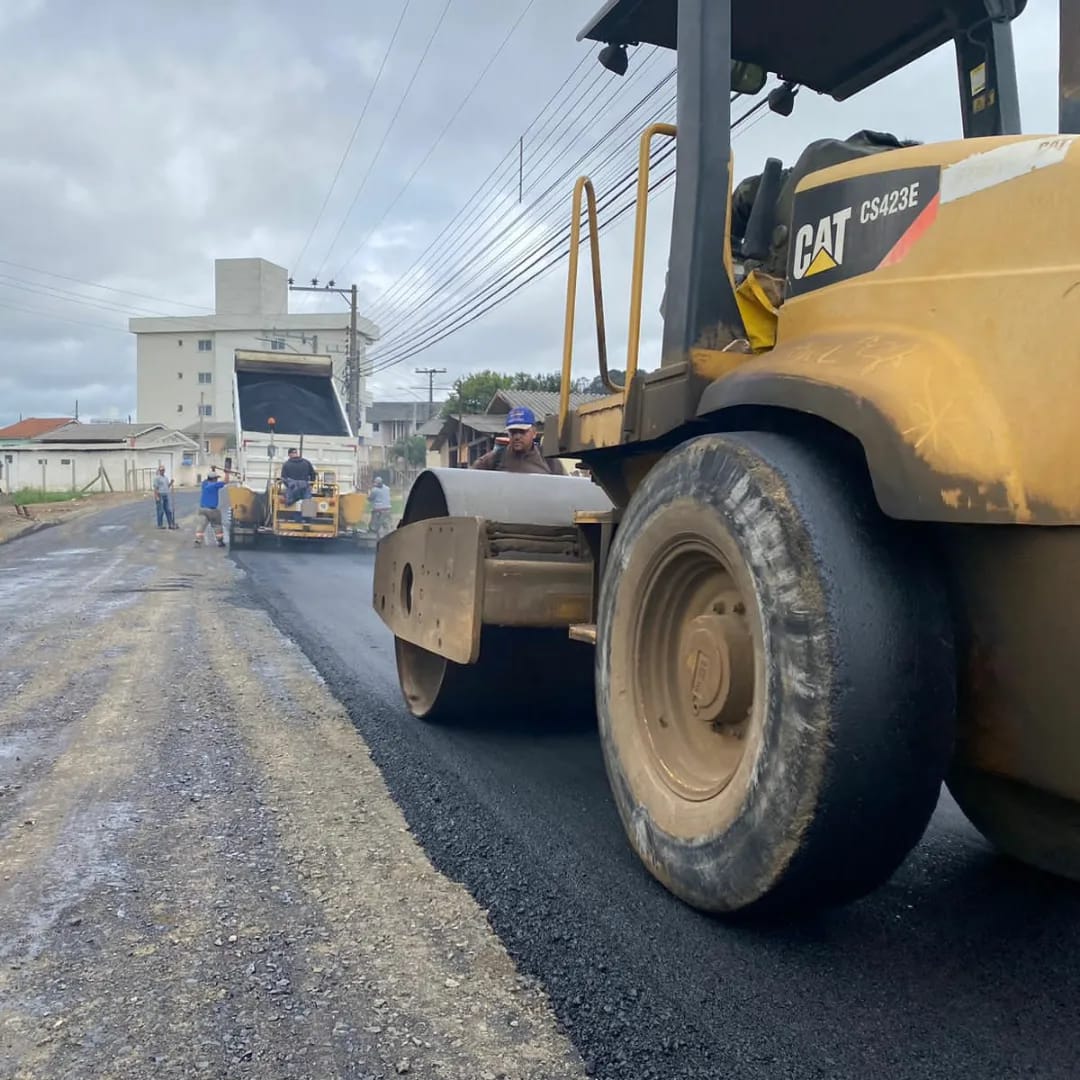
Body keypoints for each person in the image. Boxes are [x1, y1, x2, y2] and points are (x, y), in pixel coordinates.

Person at [470, 407, 557, 474]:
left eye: (522, 431)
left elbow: (564, 488)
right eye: (513, 432)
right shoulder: (495, 458)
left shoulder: (548, 460)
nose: (517, 437)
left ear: (534, 433)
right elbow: (469, 478)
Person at [195, 468, 229, 547]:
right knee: (217, 525)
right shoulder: (215, 485)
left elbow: (208, 479)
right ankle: (220, 541)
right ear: (214, 479)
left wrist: (212, 469)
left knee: (201, 525)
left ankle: (198, 540)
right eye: (216, 478)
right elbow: (226, 482)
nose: (217, 480)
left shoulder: (204, 484)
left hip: (202, 509)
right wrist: (227, 473)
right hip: (213, 510)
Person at [152, 464, 177, 530]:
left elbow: (167, 486)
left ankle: (170, 524)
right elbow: (155, 488)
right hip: (160, 495)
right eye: (161, 470)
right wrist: (156, 496)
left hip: (166, 495)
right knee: (160, 511)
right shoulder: (157, 478)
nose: (162, 471)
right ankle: (160, 525)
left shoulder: (166, 478)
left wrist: (171, 483)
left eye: (163, 470)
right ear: (159, 471)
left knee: (168, 510)